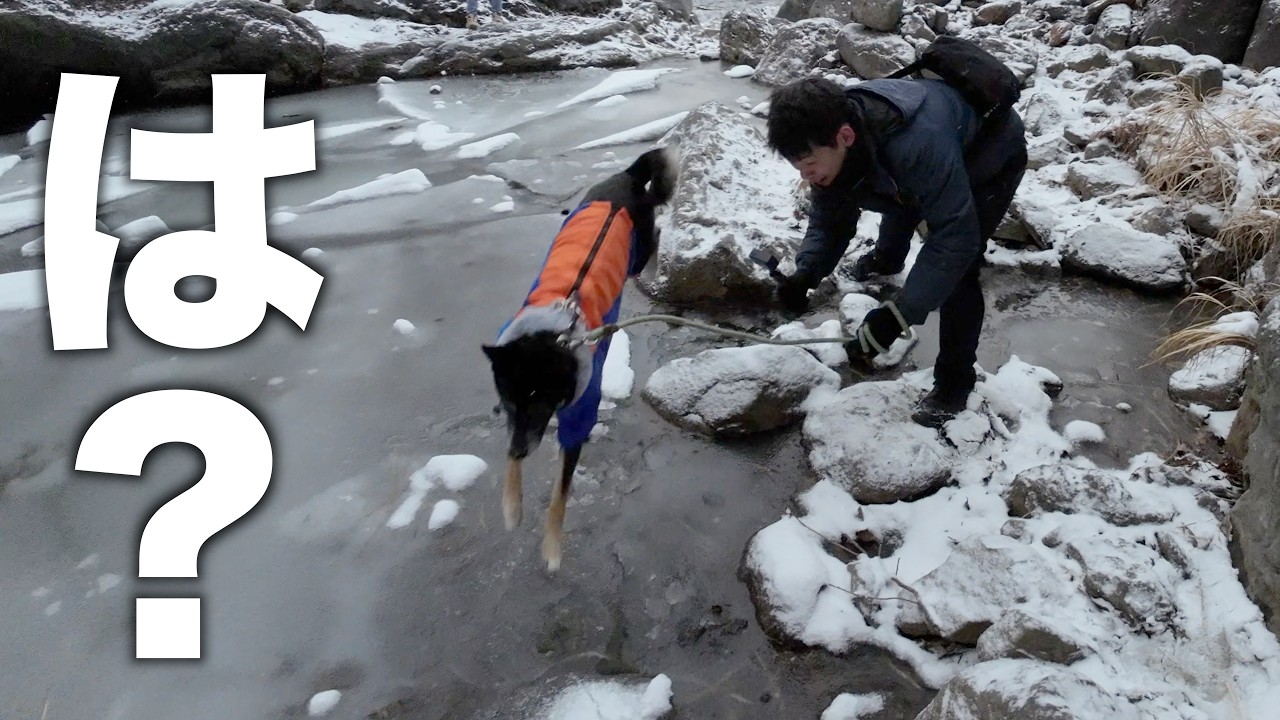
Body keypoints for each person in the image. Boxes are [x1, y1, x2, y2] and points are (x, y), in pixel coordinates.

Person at [766, 74, 1027, 428]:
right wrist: (805, 273)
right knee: (894, 190)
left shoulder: (915, 144)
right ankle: (887, 259)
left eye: (810, 165)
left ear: (844, 137)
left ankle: (955, 382)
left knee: (960, 271)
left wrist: (897, 316)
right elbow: (831, 219)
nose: (808, 176)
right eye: (799, 169)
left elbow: (954, 240)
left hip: (989, 152)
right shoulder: (833, 140)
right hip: (918, 157)